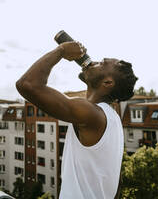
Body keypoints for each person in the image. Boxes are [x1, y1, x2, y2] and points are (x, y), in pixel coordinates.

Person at [16, 40, 138, 199]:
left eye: (101, 63)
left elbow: (27, 84)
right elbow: (116, 180)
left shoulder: (91, 114)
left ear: (107, 82)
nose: (92, 62)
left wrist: (61, 50)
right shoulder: (113, 118)